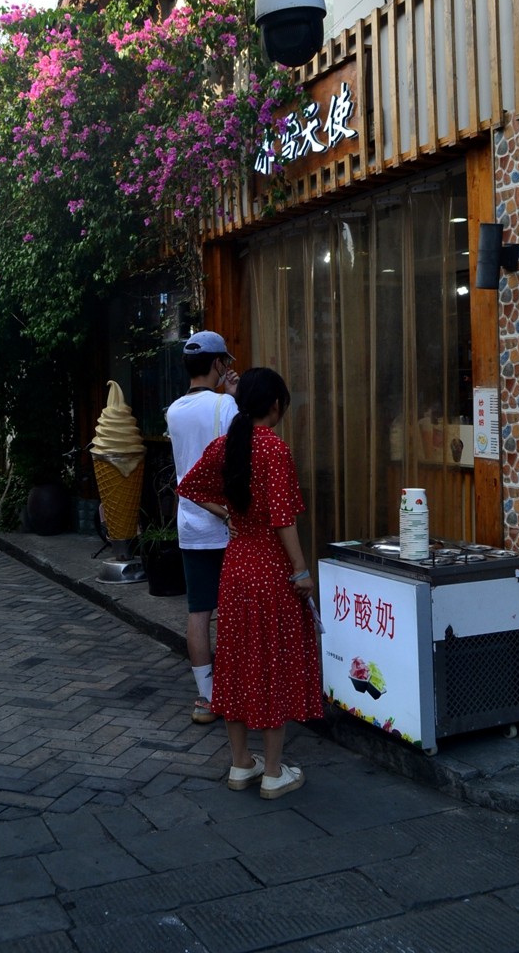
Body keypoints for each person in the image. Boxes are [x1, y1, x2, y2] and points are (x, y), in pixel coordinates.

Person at [177, 367, 323, 799]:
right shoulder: (274, 449)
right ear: (275, 406)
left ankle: (241, 764)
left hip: (236, 566)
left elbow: (188, 486)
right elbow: (283, 519)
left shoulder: (225, 445)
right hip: (270, 569)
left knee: (237, 662)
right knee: (272, 663)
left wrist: (228, 515)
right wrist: (301, 569)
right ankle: (274, 772)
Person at [166, 330, 239, 724]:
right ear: (217, 363)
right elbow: (240, 453)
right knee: (229, 611)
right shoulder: (226, 406)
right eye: (224, 362)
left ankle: (206, 697)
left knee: (199, 610)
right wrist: (233, 397)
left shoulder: (174, 410)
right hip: (226, 522)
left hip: (190, 523)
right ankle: (231, 689)